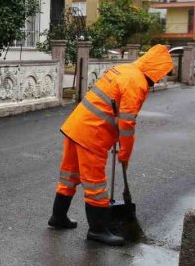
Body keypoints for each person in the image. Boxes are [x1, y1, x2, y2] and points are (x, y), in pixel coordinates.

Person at [49, 44, 173, 245]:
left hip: (75, 126)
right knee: (95, 183)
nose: (159, 79)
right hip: (92, 134)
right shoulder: (137, 82)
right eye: (161, 74)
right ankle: (98, 230)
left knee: (69, 176)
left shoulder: (124, 69)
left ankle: (58, 217)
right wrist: (125, 153)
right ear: (156, 70)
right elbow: (127, 123)